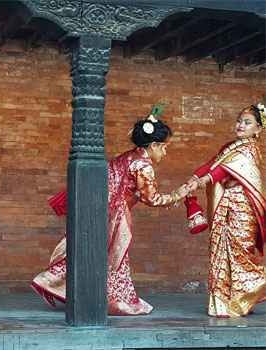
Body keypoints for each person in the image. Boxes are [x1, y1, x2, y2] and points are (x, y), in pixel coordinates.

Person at [32, 108, 189, 315]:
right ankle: (117, 301)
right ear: (153, 146)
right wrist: (177, 195)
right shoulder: (143, 166)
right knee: (116, 260)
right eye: (164, 148)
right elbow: (152, 199)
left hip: (99, 211)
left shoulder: (127, 157)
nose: (165, 153)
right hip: (117, 216)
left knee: (89, 251)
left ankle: (54, 282)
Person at [186, 103, 266, 317]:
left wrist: (204, 180)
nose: (240, 125)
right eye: (239, 121)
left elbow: (222, 170)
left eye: (247, 123)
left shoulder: (248, 149)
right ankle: (226, 303)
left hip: (241, 209)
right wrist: (195, 177)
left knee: (240, 252)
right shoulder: (230, 147)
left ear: (258, 129)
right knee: (220, 252)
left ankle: (255, 286)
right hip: (226, 206)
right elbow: (214, 164)